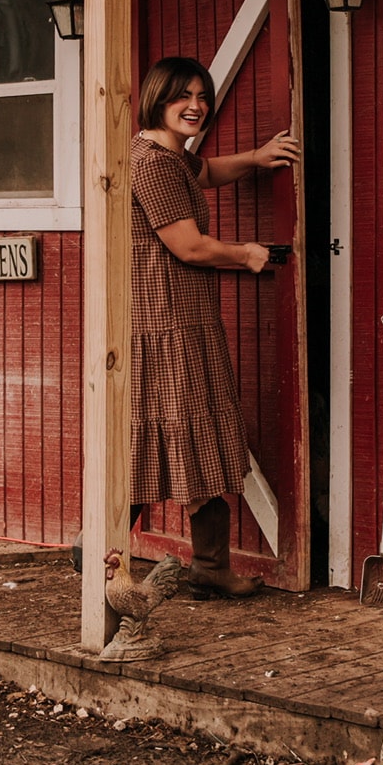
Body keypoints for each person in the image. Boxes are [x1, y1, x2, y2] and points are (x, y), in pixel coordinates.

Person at [127, 55, 299, 597]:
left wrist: (256, 156)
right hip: (167, 318)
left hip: (179, 315)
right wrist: (247, 254)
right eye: (183, 96)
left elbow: (205, 172)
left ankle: (205, 566)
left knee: (171, 429)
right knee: (176, 428)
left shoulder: (166, 155)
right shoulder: (152, 164)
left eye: (202, 96)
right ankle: (118, 553)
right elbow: (189, 245)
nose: (196, 106)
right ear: (158, 98)